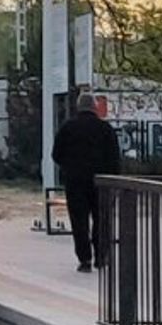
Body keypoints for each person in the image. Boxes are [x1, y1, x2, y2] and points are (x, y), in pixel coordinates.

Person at [51, 92, 121, 272]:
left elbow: (56, 154)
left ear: (78, 107)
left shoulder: (68, 128)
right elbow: (114, 159)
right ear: (95, 107)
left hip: (75, 181)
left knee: (79, 221)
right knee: (101, 220)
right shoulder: (105, 129)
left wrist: (69, 167)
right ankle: (101, 257)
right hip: (101, 182)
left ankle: (85, 259)